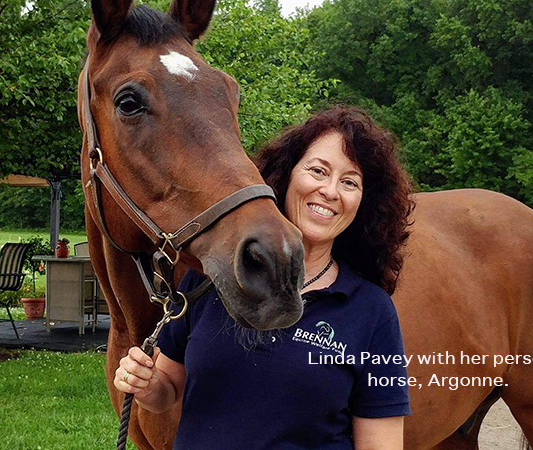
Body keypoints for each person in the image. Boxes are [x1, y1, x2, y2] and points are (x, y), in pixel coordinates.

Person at [114, 106, 415, 449]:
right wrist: (147, 385)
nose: (330, 191)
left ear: (364, 202)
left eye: (349, 182)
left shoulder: (371, 311)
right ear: (286, 176)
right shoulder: (208, 280)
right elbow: (166, 389)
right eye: (318, 171)